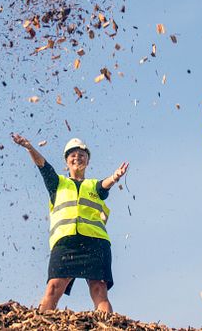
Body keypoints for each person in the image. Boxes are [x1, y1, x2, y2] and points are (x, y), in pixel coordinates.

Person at [11, 133, 129, 313]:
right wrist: (29, 147)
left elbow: (105, 185)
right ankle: (40, 324)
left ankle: (107, 325)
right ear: (66, 162)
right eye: (72, 155)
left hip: (95, 243)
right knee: (53, 287)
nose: (77, 157)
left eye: (82, 154)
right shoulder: (58, 183)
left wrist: (115, 177)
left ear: (87, 161)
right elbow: (43, 165)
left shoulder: (93, 185)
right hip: (65, 243)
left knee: (99, 289)